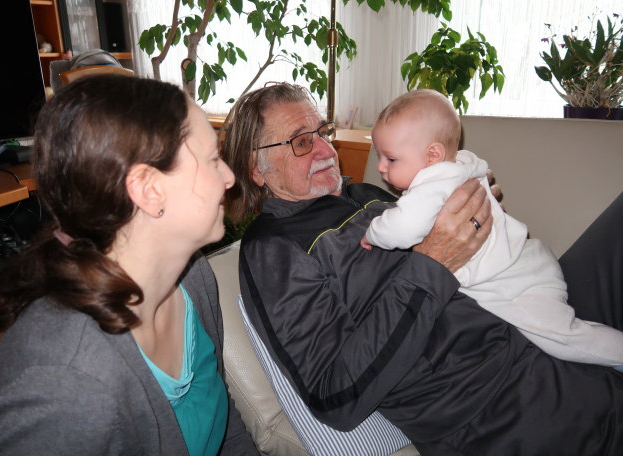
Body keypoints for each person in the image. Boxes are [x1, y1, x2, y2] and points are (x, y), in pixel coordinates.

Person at [220, 82, 623, 455]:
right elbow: (335, 395)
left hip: (527, 316)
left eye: (324, 132)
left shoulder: (366, 193)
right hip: (500, 403)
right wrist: (433, 262)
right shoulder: (274, 251)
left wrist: (481, 213)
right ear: (257, 170)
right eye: (303, 142)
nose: (327, 150)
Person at [0, 75, 258, 455]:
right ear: (149, 189)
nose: (229, 178)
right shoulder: (64, 386)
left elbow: (224, 424)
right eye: (213, 159)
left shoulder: (193, 276)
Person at [360, 89, 623, 369]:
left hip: (513, 288)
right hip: (528, 259)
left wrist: (372, 233)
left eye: (391, 159)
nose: (380, 168)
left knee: (565, 338)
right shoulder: (461, 164)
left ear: (432, 154)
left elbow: (404, 228)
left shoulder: (432, 182)